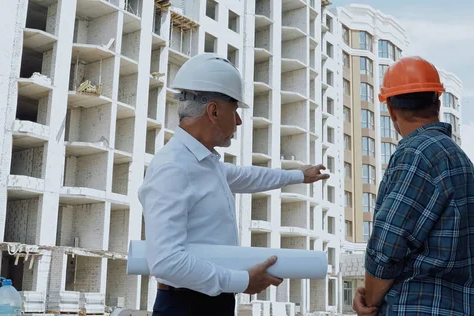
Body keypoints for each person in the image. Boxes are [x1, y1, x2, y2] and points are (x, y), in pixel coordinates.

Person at [138, 53, 330, 315]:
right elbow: (165, 261)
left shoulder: (204, 164)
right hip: (187, 305)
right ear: (214, 111)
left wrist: (300, 176)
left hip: (208, 300)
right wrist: (242, 281)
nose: (238, 120)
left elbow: (248, 176)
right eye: (235, 110)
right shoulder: (174, 167)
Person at [352, 56, 474, 316]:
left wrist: (370, 301)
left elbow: (387, 250)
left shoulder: (415, 154)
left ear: (391, 111)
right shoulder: (459, 159)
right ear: (437, 102)